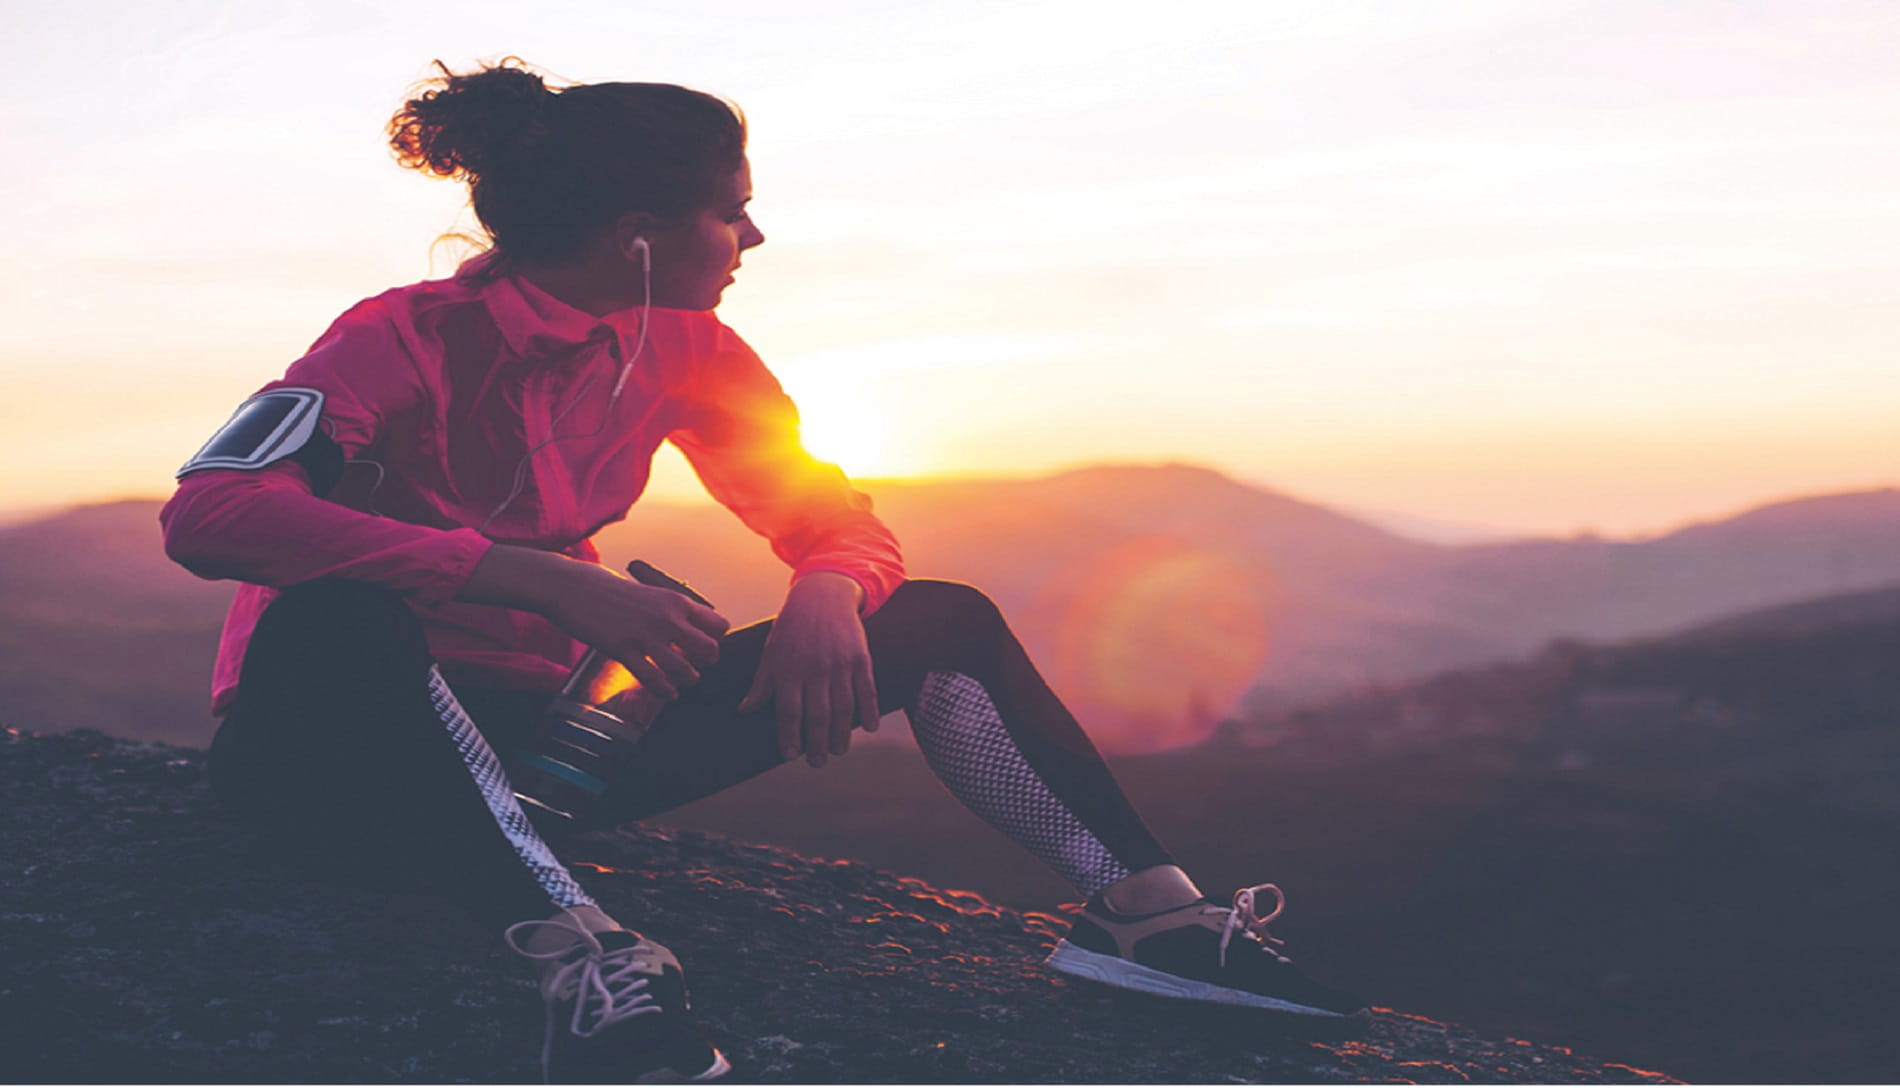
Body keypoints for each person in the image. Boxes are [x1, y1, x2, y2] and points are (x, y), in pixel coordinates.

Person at [159, 58, 1364, 1083]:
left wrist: (831, 588)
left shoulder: (685, 348)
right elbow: (213, 512)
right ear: (638, 233)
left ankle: (1147, 916)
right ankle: (579, 956)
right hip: (347, 756)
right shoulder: (398, 339)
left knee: (941, 619)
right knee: (347, 614)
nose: (752, 236)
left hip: (554, 755)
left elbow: (828, 510)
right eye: (732, 210)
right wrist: (525, 578)